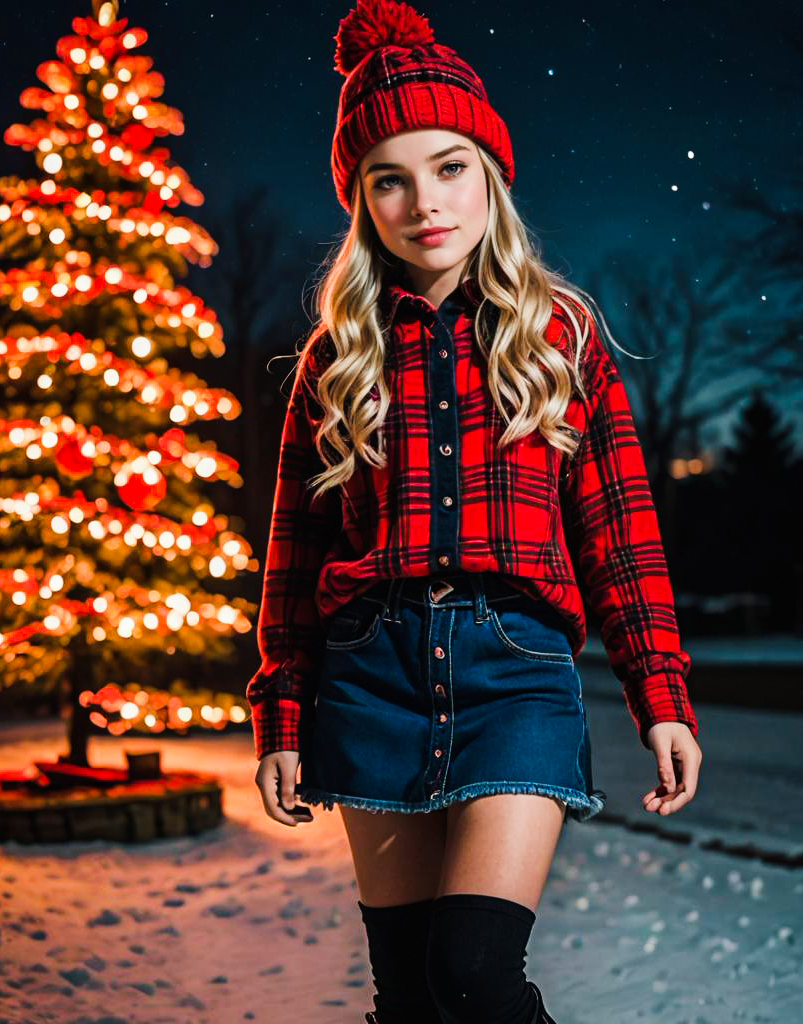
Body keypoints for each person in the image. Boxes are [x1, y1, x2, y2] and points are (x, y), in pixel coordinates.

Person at [249, 1, 703, 1020]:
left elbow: (619, 533)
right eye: (389, 178)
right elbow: (292, 550)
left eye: (449, 166)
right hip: (369, 675)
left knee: (474, 971)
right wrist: (281, 708)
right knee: (410, 996)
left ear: (489, 173)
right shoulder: (334, 359)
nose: (424, 202)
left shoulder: (561, 333)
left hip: (516, 673)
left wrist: (659, 692)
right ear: (360, 198)